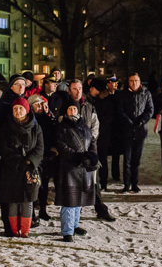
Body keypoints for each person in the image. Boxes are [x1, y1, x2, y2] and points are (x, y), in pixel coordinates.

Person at [68, 79, 115, 221]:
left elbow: (95, 124)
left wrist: (91, 140)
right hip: (73, 151)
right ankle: (76, 211)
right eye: (74, 89)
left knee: (94, 181)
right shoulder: (65, 105)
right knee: (75, 182)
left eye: (80, 88)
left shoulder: (88, 106)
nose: (77, 91)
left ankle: (100, 208)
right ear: (70, 91)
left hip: (89, 148)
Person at [0, 97, 44, 238]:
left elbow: (40, 148)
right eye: (15, 109)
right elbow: (3, 147)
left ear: (27, 110)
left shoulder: (36, 127)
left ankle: (25, 230)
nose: (18, 111)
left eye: (21, 108)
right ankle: (14, 229)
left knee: (27, 201)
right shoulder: (6, 126)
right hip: (11, 169)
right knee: (12, 201)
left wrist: (29, 161)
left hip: (29, 170)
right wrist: (16, 161)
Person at [55, 100, 97, 242]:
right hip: (69, 167)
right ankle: (67, 231)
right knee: (69, 200)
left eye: (74, 108)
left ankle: (75, 225)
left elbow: (91, 141)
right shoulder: (62, 127)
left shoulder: (84, 125)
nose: (72, 111)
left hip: (83, 168)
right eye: (70, 108)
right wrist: (77, 156)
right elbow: (61, 145)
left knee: (78, 199)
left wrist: (92, 156)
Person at [118, 73, 154, 193]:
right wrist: (128, 121)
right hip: (127, 130)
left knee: (136, 160)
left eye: (136, 81)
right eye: (132, 80)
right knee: (127, 160)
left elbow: (150, 110)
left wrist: (141, 121)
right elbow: (120, 110)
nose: (134, 83)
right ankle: (126, 184)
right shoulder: (123, 94)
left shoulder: (146, 93)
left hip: (140, 130)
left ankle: (135, 184)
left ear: (140, 82)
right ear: (128, 82)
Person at [28, 94, 58, 221]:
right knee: (33, 185)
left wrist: (48, 113)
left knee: (44, 185)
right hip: (34, 156)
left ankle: (43, 210)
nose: (40, 107)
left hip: (46, 155)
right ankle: (32, 213)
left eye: (41, 104)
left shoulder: (47, 118)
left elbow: (53, 131)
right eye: (37, 105)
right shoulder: (29, 119)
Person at [106, 76, 123, 182]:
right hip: (106, 128)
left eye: (116, 82)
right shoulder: (103, 95)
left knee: (116, 154)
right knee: (104, 154)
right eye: (113, 83)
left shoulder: (119, 95)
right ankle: (104, 175)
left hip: (117, 129)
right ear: (108, 84)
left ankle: (116, 175)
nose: (116, 84)